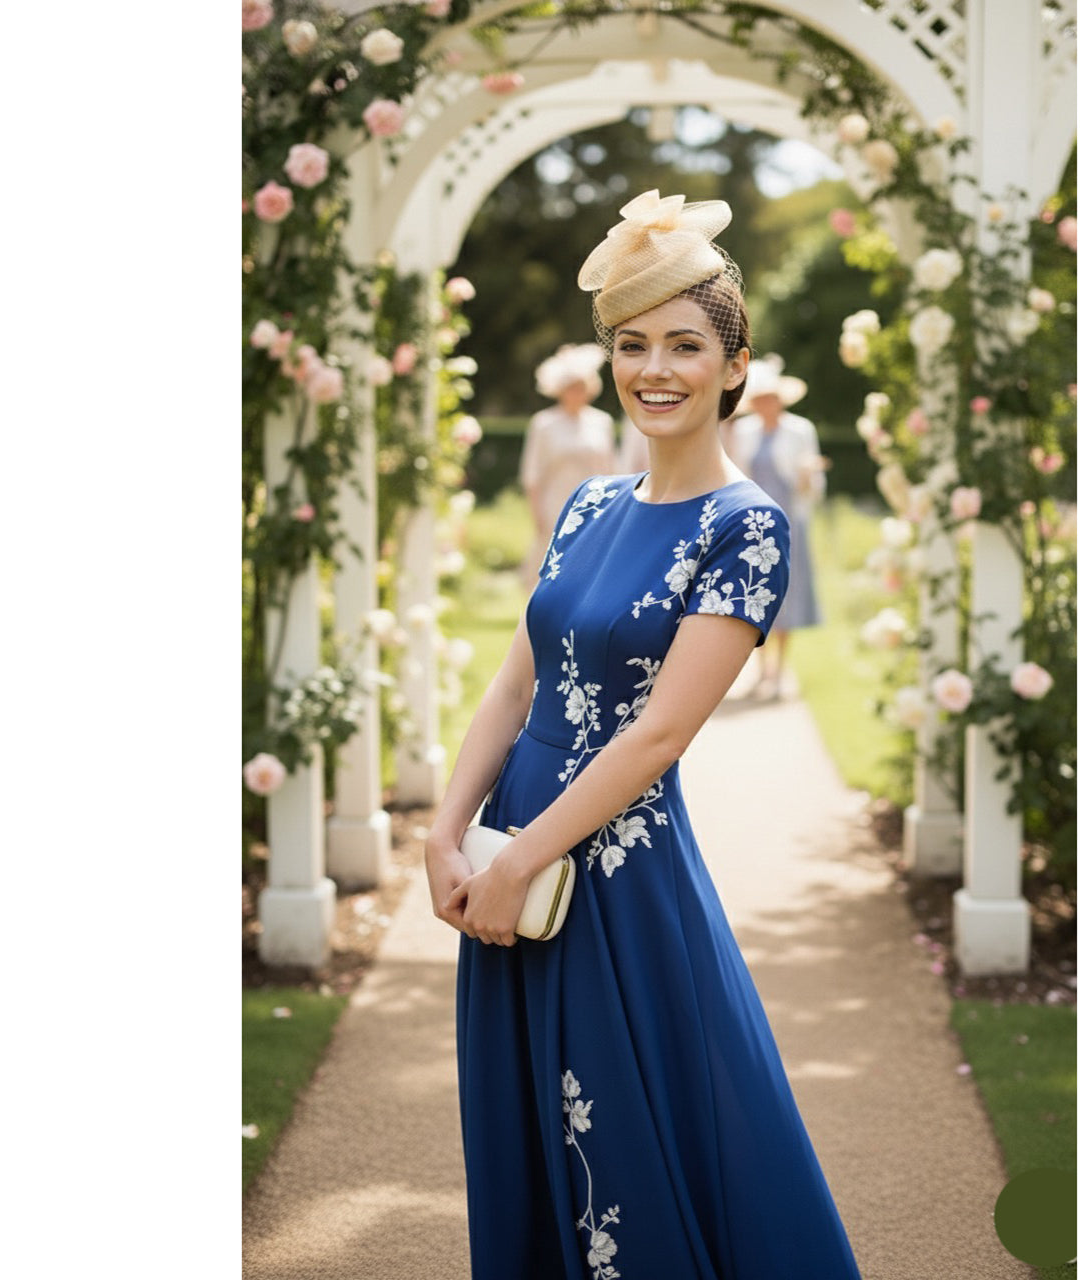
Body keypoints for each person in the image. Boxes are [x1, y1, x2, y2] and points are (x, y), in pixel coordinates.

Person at [425, 190, 863, 1279]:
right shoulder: (584, 505)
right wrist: (444, 833)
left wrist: (522, 854)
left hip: (609, 868)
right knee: (522, 1120)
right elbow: (511, 685)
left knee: (622, 1136)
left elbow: (660, 730)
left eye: (683, 344)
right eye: (630, 345)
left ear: (733, 365)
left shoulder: (744, 525)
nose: (653, 368)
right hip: (509, 851)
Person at [729, 354, 827, 699]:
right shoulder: (743, 432)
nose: (765, 404)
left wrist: (806, 477)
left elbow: (814, 486)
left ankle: (778, 672)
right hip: (753, 525)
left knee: (787, 593)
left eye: (771, 398)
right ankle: (760, 670)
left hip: (789, 522)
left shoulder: (801, 431)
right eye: (760, 399)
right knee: (754, 594)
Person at [519, 343, 618, 587]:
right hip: (555, 503)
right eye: (571, 387)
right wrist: (536, 512)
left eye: (581, 386)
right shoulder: (543, 423)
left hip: (593, 504)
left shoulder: (601, 422)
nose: (577, 392)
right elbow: (532, 471)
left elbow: (611, 468)